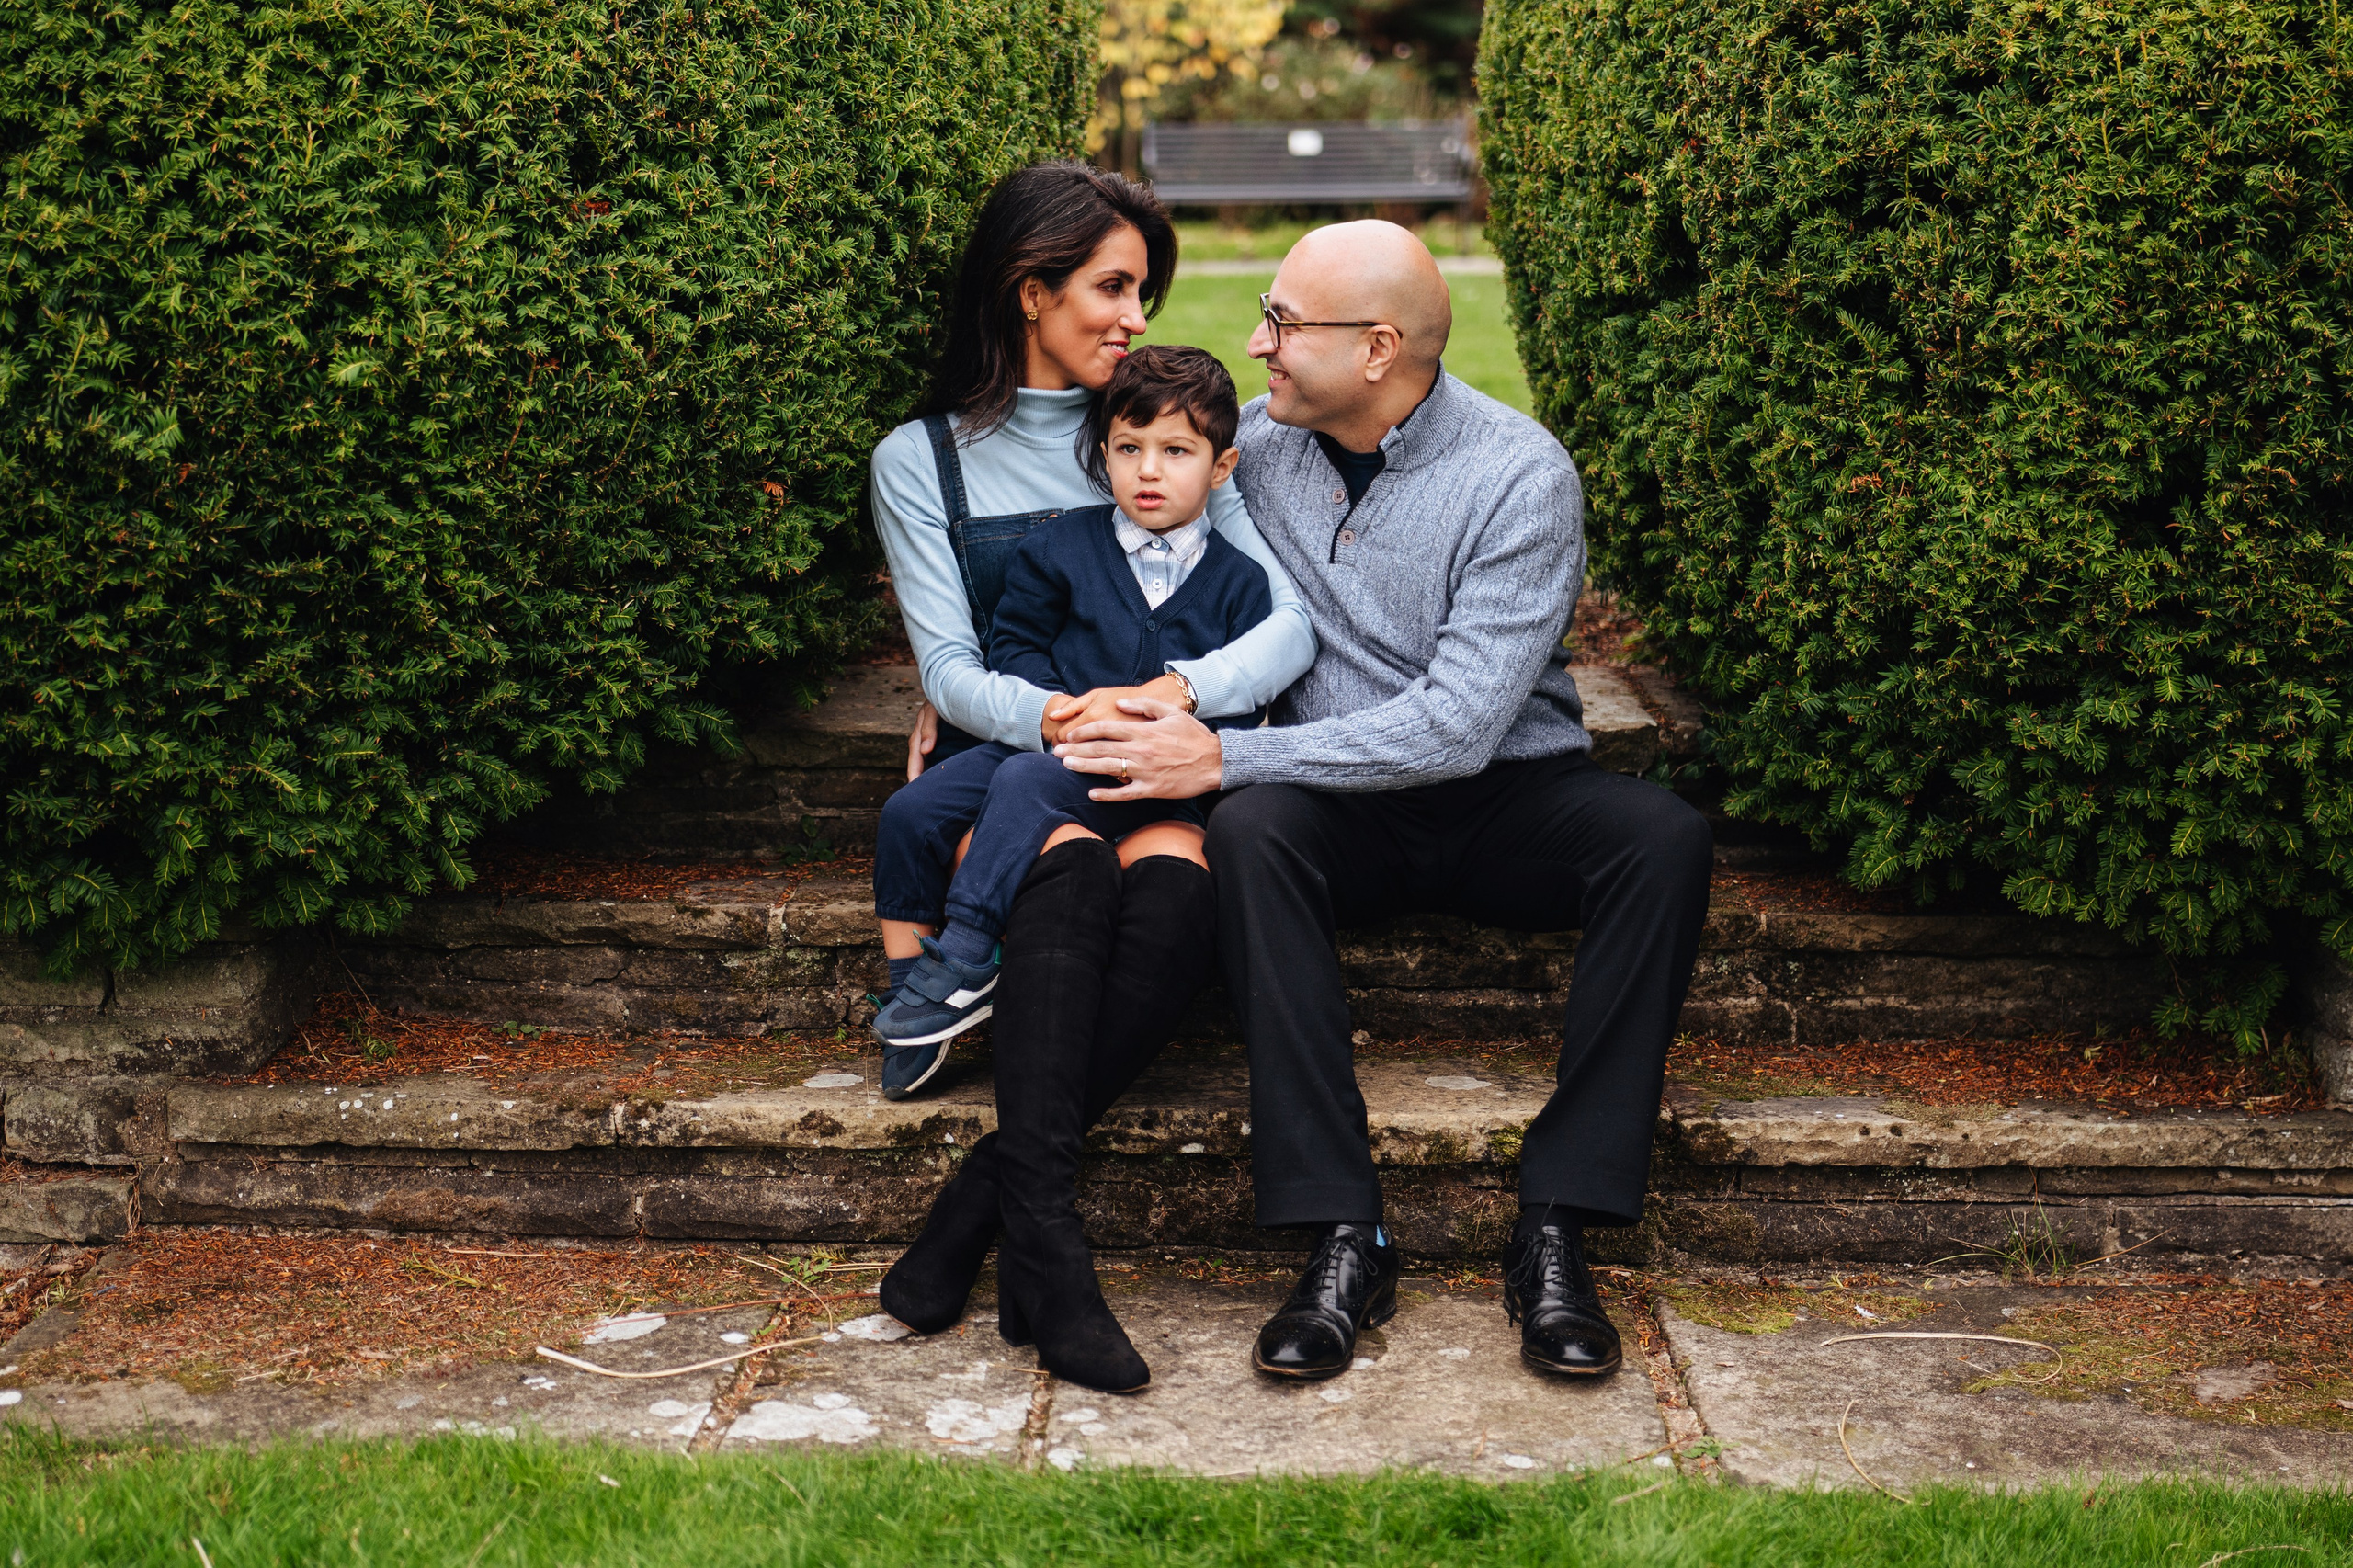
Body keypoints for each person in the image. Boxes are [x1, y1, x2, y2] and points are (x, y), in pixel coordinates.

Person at [1049, 221, 1715, 1385]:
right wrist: (962, 670)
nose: (1254, 342)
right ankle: (1341, 1231)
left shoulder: (1518, 475)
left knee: (1662, 837)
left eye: (1283, 325)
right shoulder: (1250, 444)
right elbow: (1094, 501)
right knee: (1253, 833)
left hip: (1507, 790)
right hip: (1329, 805)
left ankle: (1557, 1224)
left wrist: (1222, 757)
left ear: (1376, 350)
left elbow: (1460, 726)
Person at [867, 163, 1315, 1394]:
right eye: (1114, 288)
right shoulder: (924, 461)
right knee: (1064, 889)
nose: (1136, 317)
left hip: (1159, 763)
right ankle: (1050, 1252)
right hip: (1021, 771)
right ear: (1030, 290)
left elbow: (1279, 628)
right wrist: (1055, 714)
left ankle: (982, 1217)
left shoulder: (1165, 423)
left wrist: (1171, 702)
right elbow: (953, 664)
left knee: (1174, 908)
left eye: (1142, 290)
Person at [869, 347, 1273, 1092]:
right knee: (910, 811)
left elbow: (1245, 709)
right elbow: (1014, 646)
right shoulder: (1057, 549)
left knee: (1024, 780)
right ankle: (912, 994)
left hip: (1152, 781)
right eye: (1129, 449)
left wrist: (1176, 742)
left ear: (1222, 468)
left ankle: (965, 957)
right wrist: (1065, 713)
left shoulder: (1242, 585)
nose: (1149, 471)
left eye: (1176, 451)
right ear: (1103, 454)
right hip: (1057, 741)